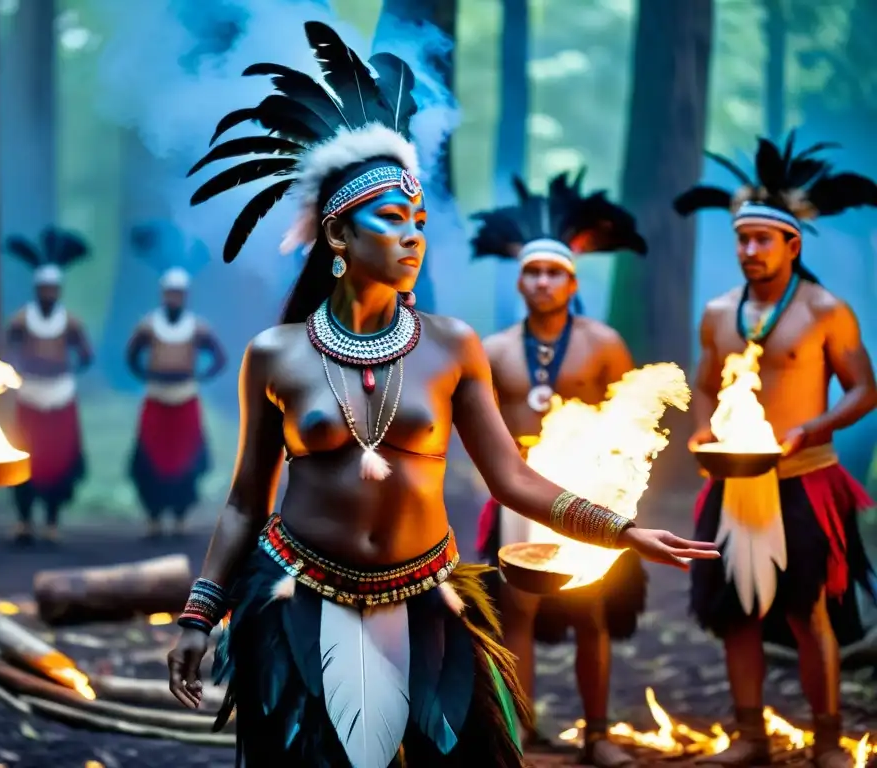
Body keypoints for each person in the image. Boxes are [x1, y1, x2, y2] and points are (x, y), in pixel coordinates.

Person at [166, 22, 718, 768]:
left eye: (420, 221)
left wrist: (622, 531)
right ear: (338, 234)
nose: (412, 236)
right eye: (391, 219)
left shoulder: (453, 345)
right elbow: (243, 502)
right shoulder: (277, 354)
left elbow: (511, 477)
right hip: (294, 594)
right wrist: (200, 614)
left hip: (428, 594)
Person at [675, 134, 877, 768]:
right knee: (735, 613)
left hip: (804, 478)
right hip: (733, 481)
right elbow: (705, 386)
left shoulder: (824, 310)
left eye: (762, 239)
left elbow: (866, 390)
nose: (749, 251)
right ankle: (749, 736)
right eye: (741, 239)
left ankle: (826, 739)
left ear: (792, 243)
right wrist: (702, 430)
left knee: (807, 610)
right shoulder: (716, 313)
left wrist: (810, 428)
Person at [471, 171, 649, 767]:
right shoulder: (492, 350)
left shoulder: (603, 343)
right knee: (517, 608)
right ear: (519, 280)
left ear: (572, 281)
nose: (542, 282)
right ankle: (521, 729)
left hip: (587, 491)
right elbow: (478, 430)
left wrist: (619, 489)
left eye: (553, 273)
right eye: (532, 272)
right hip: (522, 496)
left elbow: (634, 418)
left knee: (592, 609)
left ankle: (597, 733)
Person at [127, 222, 226, 537]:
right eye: (169, 294)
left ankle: (181, 518)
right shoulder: (148, 325)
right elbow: (131, 355)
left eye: (178, 294)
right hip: (156, 398)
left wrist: (200, 374)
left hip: (185, 399)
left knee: (186, 464)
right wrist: (144, 375)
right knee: (151, 461)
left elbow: (219, 357)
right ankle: (154, 519)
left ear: (185, 296)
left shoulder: (198, 328)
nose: (173, 299)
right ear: (162, 295)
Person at [4, 227, 92, 544]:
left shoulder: (70, 322)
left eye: (53, 289)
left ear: (59, 290)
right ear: (36, 289)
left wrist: (70, 366)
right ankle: (24, 521)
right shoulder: (21, 319)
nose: (49, 294)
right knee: (24, 457)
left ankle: (52, 522)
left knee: (58, 461)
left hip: (60, 396)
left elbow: (86, 352)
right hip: (30, 395)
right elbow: (8, 346)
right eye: (44, 289)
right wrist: (17, 367)